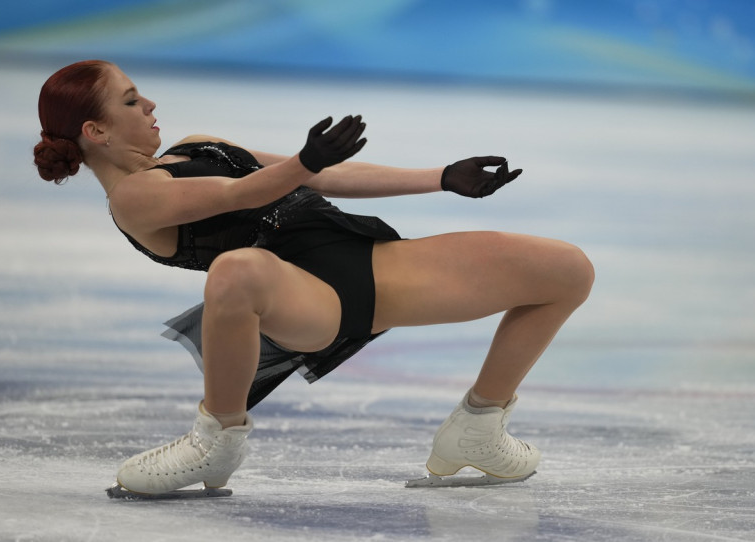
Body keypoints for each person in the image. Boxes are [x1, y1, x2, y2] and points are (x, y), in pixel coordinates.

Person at [34, 60, 593, 495]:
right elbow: (240, 193)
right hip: (302, 298)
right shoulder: (133, 198)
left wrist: (442, 177)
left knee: (566, 271)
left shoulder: (197, 145)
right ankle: (218, 437)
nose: (150, 102)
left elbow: (330, 177)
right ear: (96, 131)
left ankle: (480, 421)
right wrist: (305, 162)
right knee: (236, 270)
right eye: (132, 100)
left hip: (367, 262)